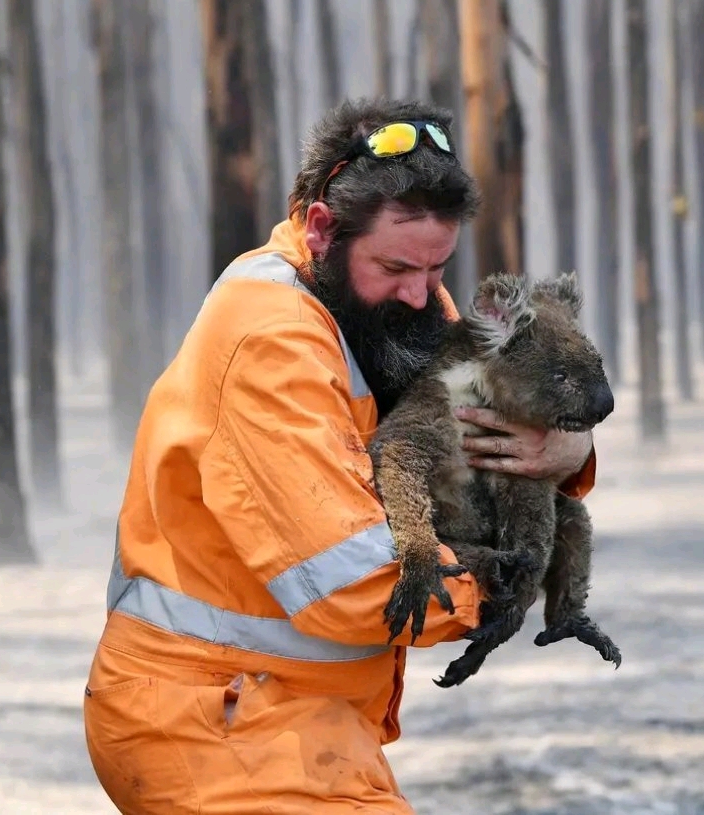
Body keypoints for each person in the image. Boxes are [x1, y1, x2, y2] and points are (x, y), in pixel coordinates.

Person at [83, 97, 598, 814]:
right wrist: (509, 578)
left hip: (297, 717)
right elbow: (354, 583)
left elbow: (498, 419)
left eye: (439, 267)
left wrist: (570, 447)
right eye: (398, 266)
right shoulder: (270, 340)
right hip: (212, 721)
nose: (423, 294)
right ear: (323, 229)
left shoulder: (392, 299)